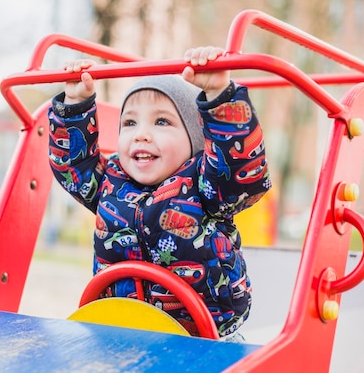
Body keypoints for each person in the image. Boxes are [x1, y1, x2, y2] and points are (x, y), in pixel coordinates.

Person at [47, 46, 271, 340]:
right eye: (130, 123)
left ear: (195, 140)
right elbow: (73, 169)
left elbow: (242, 172)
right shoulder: (110, 181)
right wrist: (75, 105)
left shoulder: (205, 183)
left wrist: (219, 96)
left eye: (161, 122)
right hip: (123, 328)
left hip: (204, 335)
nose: (141, 133)